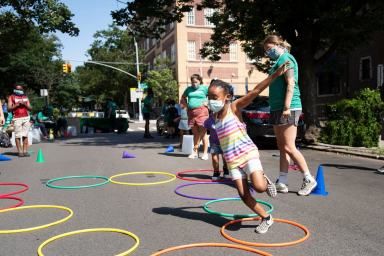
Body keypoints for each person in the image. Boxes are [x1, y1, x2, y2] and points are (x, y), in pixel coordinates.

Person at [207, 61, 288, 234]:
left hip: (247, 153)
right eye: (209, 97)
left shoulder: (234, 108)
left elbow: (255, 91)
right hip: (232, 162)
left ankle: (264, 181)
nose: (211, 101)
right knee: (244, 195)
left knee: (258, 187)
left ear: (227, 96)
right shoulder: (214, 116)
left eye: (215, 97)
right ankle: (266, 218)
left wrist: (276, 74)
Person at [263, 35, 317, 196]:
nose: (267, 52)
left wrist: (286, 107)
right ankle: (282, 180)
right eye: (265, 50)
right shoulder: (277, 62)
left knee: (289, 146)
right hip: (276, 107)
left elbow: (291, 83)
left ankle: (309, 179)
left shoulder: (287, 59)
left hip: (288, 107)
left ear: (278, 44)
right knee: (282, 147)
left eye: (269, 48)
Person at [181, 74, 209, 160]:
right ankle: (195, 152)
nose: (194, 84)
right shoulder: (188, 89)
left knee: (203, 134)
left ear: (200, 81)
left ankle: (205, 153)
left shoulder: (204, 88)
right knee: (195, 134)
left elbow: (212, 96)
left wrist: (207, 102)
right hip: (191, 113)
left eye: (196, 82)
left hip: (202, 112)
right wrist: (185, 105)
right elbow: (183, 97)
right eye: (192, 82)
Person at [7, 84, 32, 157]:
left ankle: (25, 151)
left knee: (25, 135)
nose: (19, 90)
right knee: (17, 136)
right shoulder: (11, 97)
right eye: (18, 89)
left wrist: (25, 105)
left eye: (21, 89)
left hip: (26, 117)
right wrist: (16, 105)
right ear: (14, 89)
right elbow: (8, 109)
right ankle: (20, 152)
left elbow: (30, 108)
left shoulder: (25, 97)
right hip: (17, 118)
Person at [204, 112, 230, 181]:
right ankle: (216, 172)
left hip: (225, 142)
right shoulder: (209, 120)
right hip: (214, 142)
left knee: (225, 157)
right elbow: (204, 131)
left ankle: (226, 169)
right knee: (214, 158)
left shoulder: (226, 118)